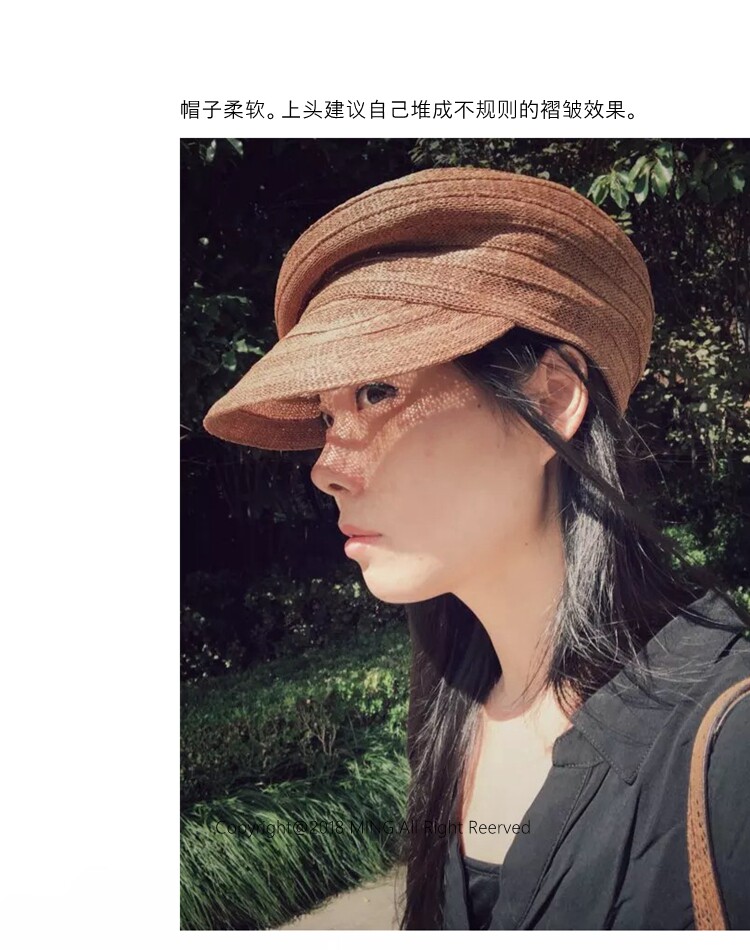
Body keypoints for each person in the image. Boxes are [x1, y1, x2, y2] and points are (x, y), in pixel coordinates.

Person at [202, 166, 750, 930]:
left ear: (551, 400)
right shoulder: (449, 703)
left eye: (377, 392)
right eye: (327, 416)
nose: (326, 466)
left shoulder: (729, 747)